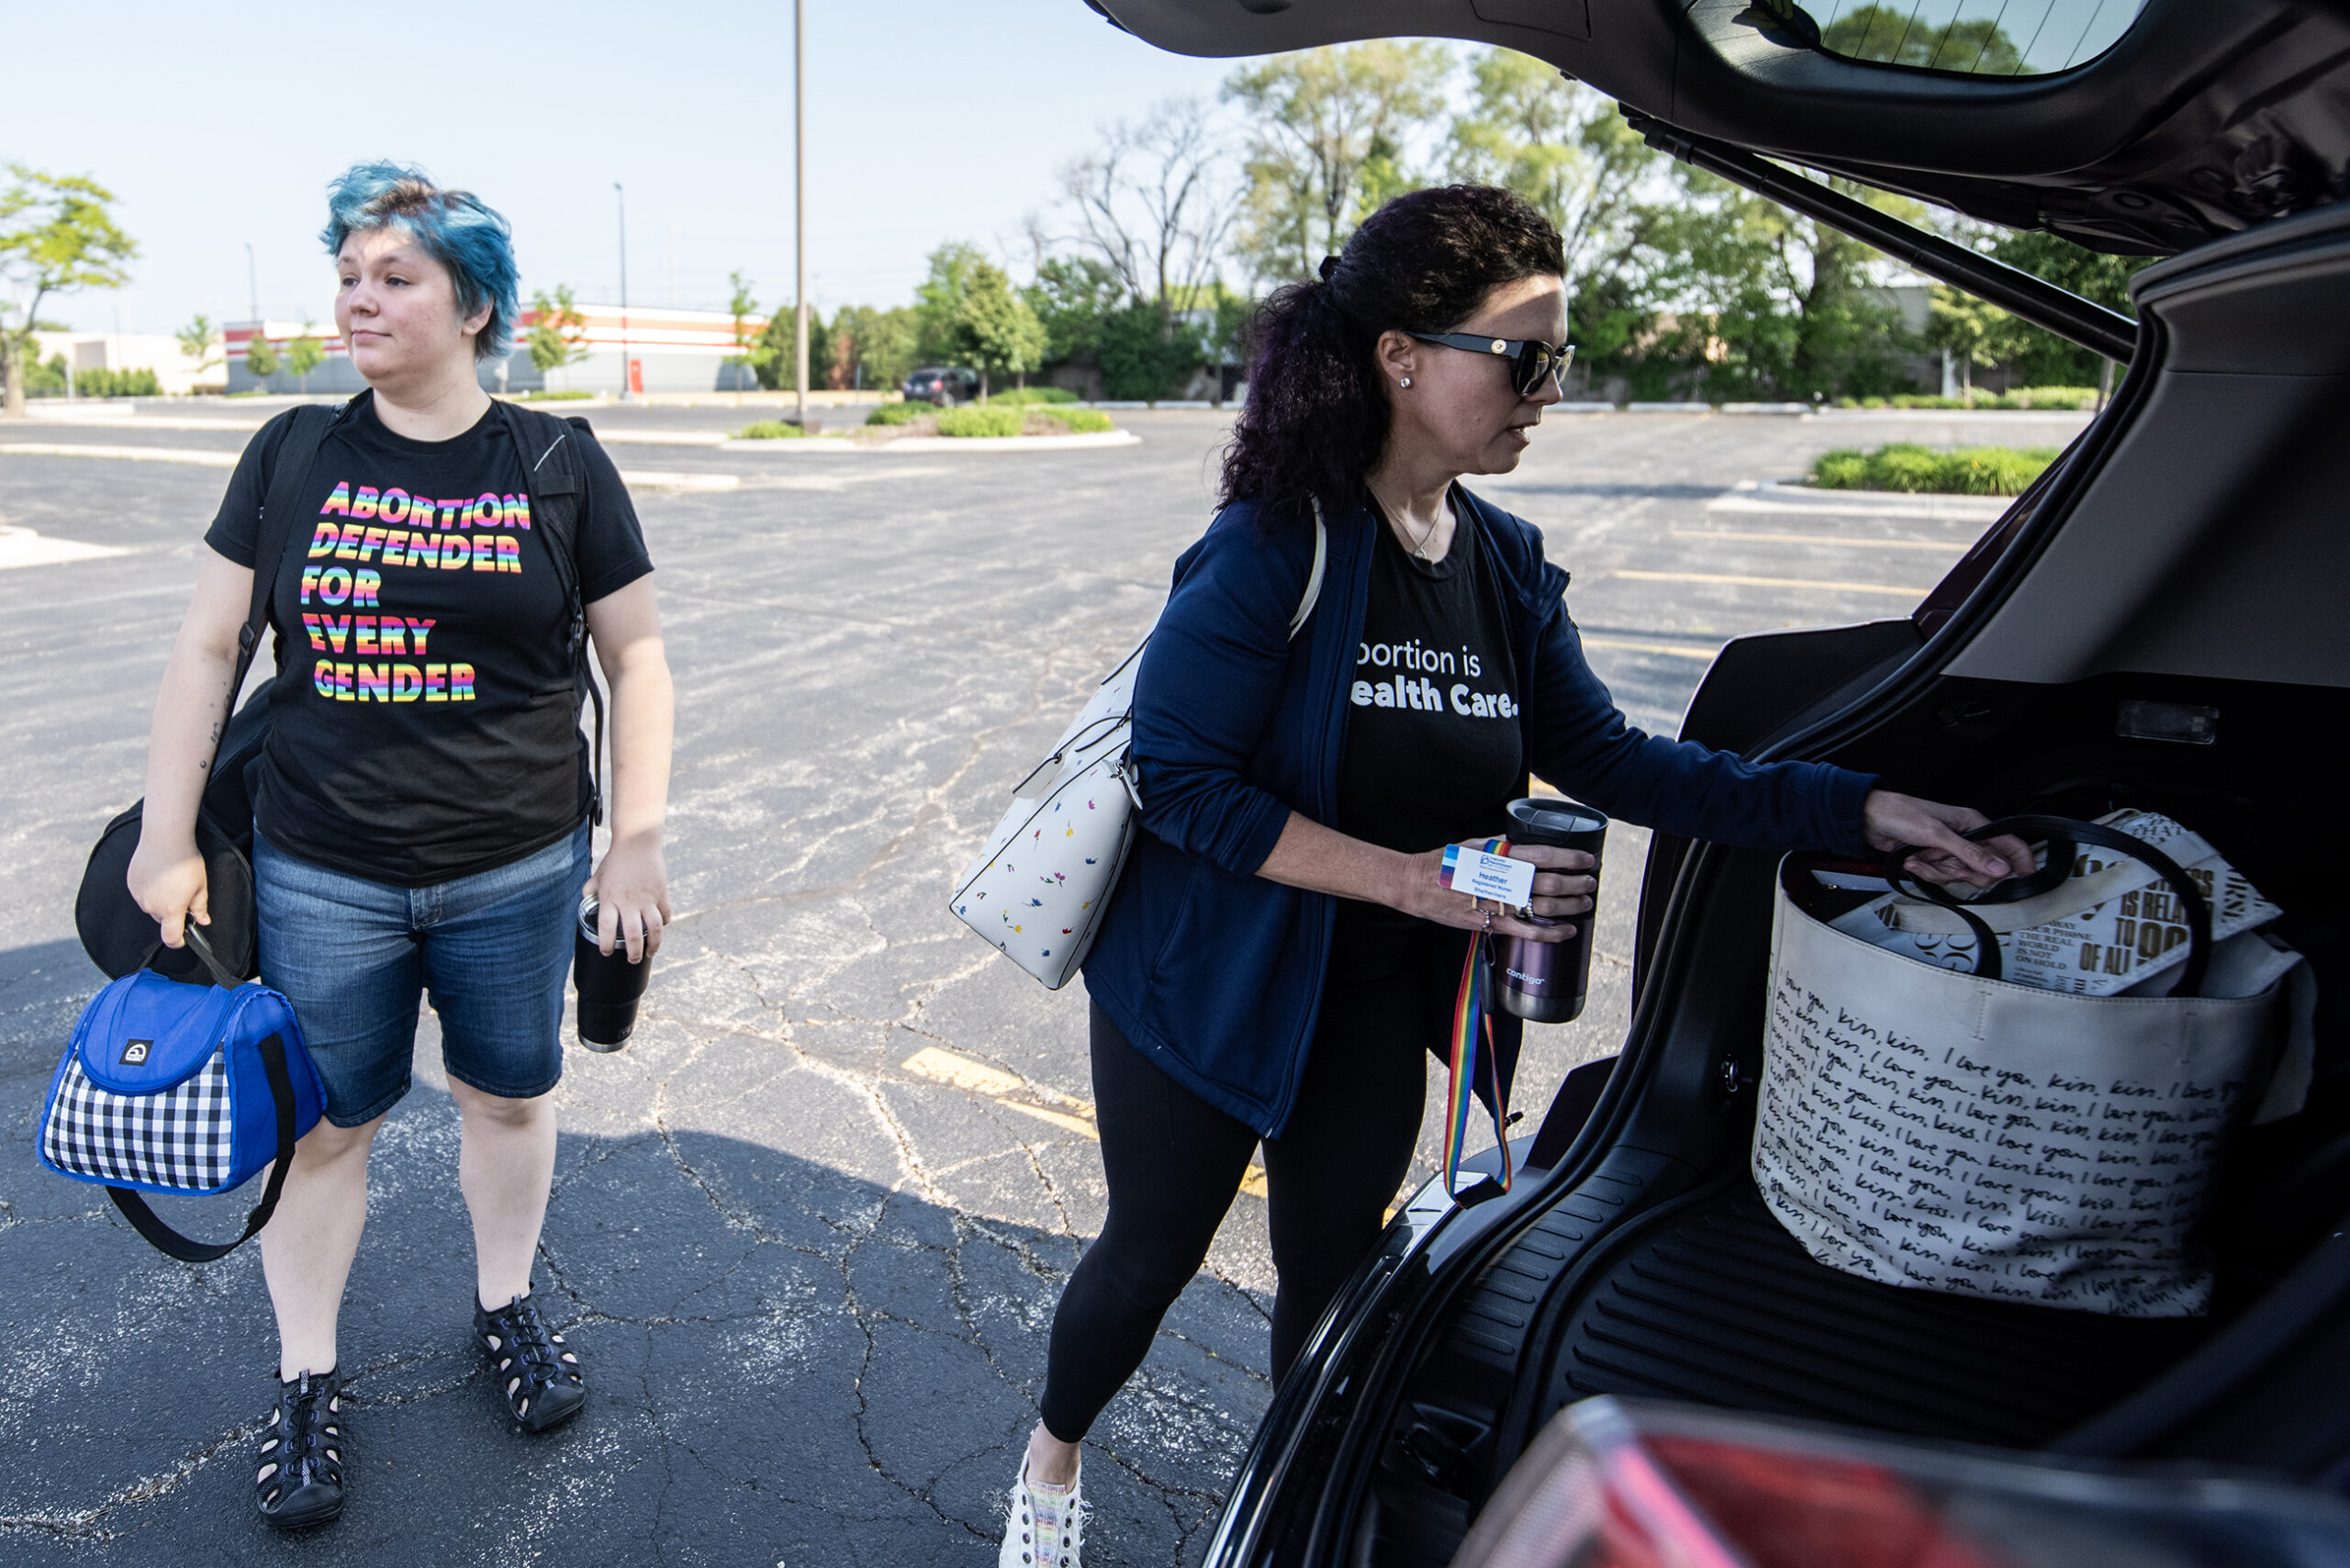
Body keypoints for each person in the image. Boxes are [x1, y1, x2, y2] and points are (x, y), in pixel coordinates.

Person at [994, 185, 2029, 1567]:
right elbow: (1179, 786)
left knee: (1335, 1282)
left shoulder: (1505, 565)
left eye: (1563, 358)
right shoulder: (1274, 549)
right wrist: (1418, 882)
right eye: (1524, 356)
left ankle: (1299, 1517)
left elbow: (1627, 764)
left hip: (1367, 1004)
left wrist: (1866, 811)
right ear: (1400, 358)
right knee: (1149, 1263)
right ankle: (1051, 1461)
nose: (1551, 389)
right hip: (1206, 989)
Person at [127, 162, 674, 1529]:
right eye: (350, 276)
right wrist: (165, 833)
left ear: (474, 303)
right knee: (326, 1133)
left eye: (395, 278)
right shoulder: (295, 453)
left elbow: (640, 661)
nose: (358, 300)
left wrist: (639, 845)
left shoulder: (556, 458)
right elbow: (208, 646)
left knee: (507, 1099)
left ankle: (504, 1305)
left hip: (518, 867)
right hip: (323, 870)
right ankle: (306, 1380)